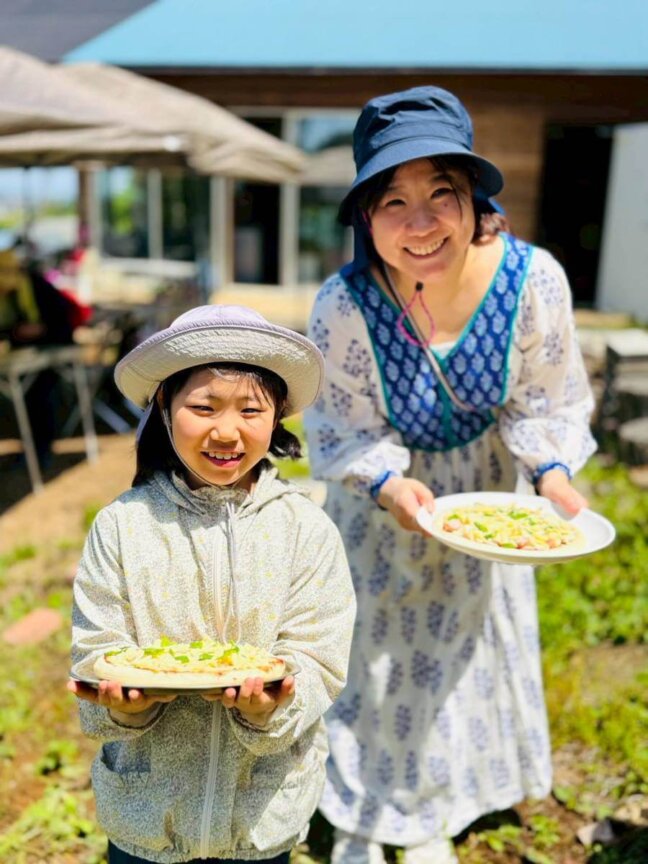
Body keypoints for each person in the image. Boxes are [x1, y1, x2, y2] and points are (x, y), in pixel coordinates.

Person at [303, 86, 597, 864]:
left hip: (486, 490)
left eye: (443, 193)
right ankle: (368, 815)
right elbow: (339, 423)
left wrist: (554, 474)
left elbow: (547, 397)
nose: (422, 222)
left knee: (461, 650)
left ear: (475, 202)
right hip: (383, 500)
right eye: (392, 200)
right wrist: (389, 484)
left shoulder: (533, 282)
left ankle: (435, 809)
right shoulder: (343, 304)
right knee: (373, 653)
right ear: (365, 217)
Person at [68, 304, 356, 864]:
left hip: (262, 813)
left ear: (276, 420)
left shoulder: (306, 530)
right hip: (148, 816)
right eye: (203, 406)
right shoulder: (123, 527)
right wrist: (123, 707)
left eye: (251, 409)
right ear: (164, 408)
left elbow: (318, 658)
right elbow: (97, 651)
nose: (227, 430)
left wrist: (270, 708)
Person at [0, 247, 77, 465]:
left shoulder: (33, 285)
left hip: (53, 348)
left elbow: (60, 319)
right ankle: (32, 448)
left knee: (39, 395)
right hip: (25, 354)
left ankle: (41, 450)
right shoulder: (10, 292)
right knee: (26, 398)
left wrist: (39, 329)